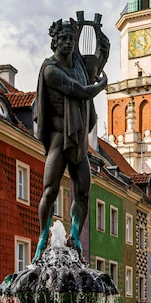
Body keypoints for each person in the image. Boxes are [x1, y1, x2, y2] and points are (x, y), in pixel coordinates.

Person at [32, 16, 109, 262]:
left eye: (71, 39)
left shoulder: (76, 62)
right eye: (63, 39)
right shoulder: (50, 70)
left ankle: (75, 236)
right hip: (58, 137)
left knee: (83, 191)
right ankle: (43, 237)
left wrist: (103, 47)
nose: (68, 43)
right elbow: (81, 89)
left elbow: (93, 68)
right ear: (54, 41)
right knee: (50, 190)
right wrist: (102, 85)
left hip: (78, 140)